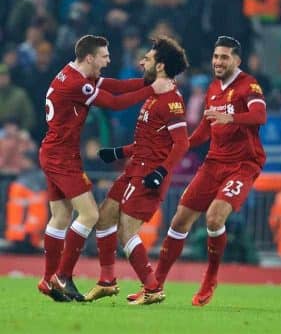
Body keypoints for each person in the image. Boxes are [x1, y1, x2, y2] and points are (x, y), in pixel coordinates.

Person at [127, 36, 266, 306]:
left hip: (242, 165)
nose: (218, 62)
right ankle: (154, 284)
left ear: (237, 60)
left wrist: (233, 117)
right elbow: (205, 129)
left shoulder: (249, 85)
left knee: (214, 218)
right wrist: (180, 147)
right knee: (179, 221)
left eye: (224, 57)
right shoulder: (213, 89)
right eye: (216, 56)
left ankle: (210, 277)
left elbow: (259, 116)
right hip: (214, 162)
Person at [37, 35, 174, 302]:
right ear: (90, 57)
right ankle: (61, 276)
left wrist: (146, 81)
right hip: (62, 157)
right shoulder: (77, 84)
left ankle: (47, 278)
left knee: (61, 216)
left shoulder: (69, 73)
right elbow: (114, 102)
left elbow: (113, 86)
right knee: (89, 214)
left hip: (53, 151)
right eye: (104, 56)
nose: (108, 60)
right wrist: (152, 89)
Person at [83, 37, 189, 304]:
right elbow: (148, 141)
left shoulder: (171, 101)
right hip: (135, 168)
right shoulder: (154, 94)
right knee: (105, 216)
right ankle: (107, 281)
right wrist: (119, 152)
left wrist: (162, 172)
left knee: (127, 231)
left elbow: (182, 143)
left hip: (149, 174)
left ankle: (152, 288)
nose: (142, 62)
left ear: (161, 66)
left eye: (148, 59)